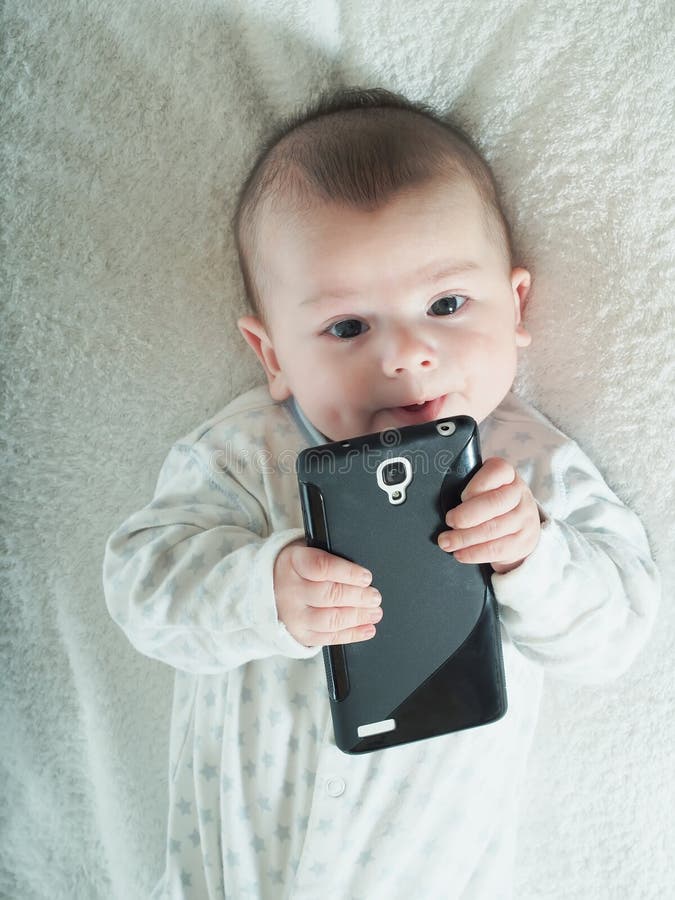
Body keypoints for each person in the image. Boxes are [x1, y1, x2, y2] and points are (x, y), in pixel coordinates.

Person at [103, 87, 659, 899]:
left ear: (515, 307)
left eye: (445, 305)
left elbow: (615, 636)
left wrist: (532, 556)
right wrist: (261, 591)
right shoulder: (243, 456)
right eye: (347, 327)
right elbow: (141, 591)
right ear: (272, 354)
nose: (404, 353)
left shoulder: (529, 467)